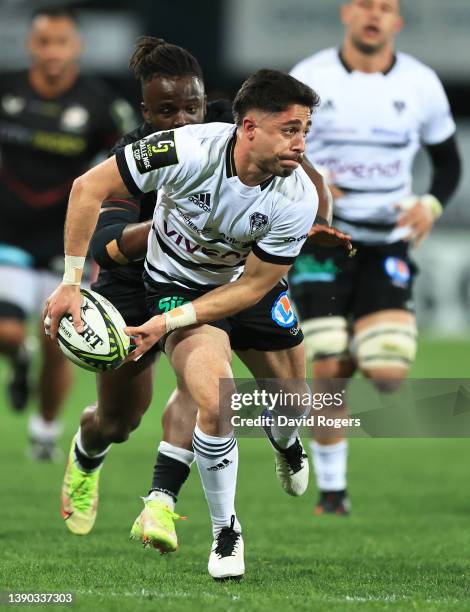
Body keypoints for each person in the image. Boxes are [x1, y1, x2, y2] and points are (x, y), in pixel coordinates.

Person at [45, 69, 322, 580]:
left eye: (306, 130)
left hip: (246, 282)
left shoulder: (296, 195)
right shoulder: (181, 151)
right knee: (212, 397)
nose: (300, 143)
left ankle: (285, 438)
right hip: (176, 282)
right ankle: (226, 533)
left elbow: (253, 287)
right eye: (290, 130)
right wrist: (70, 282)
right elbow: (88, 189)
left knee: (295, 400)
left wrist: (165, 323)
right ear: (249, 128)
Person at [288, 0, 461, 514]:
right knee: (330, 364)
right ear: (347, 12)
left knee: (387, 375)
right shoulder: (310, 78)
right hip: (324, 239)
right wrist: (310, 179)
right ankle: (333, 493)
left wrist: (429, 204)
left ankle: (365, 332)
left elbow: (448, 161)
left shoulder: (421, 83)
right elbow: (278, 146)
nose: (374, 15)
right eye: (365, 4)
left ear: (397, 21)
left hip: (388, 240)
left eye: (385, 7)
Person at [0, 5, 134, 459]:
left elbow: (126, 168)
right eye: (43, 42)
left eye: (61, 42)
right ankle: (18, 363)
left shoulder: (100, 104)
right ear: (30, 45)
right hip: (9, 235)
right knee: (8, 332)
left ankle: (44, 431)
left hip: (66, 242)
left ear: (76, 46)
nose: (52, 51)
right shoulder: (7, 91)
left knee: (56, 340)